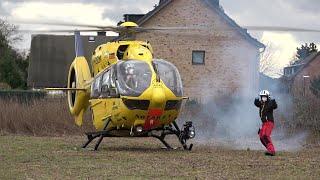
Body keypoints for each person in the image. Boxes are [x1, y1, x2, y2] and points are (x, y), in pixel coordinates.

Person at [254, 90, 277, 156]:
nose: (263, 98)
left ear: (268, 97)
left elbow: (275, 106)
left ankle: (272, 150)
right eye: (262, 97)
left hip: (269, 122)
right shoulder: (261, 104)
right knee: (261, 136)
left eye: (265, 97)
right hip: (264, 123)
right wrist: (256, 98)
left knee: (265, 135)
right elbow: (256, 103)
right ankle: (269, 149)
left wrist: (273, 100)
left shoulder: (270, 103)